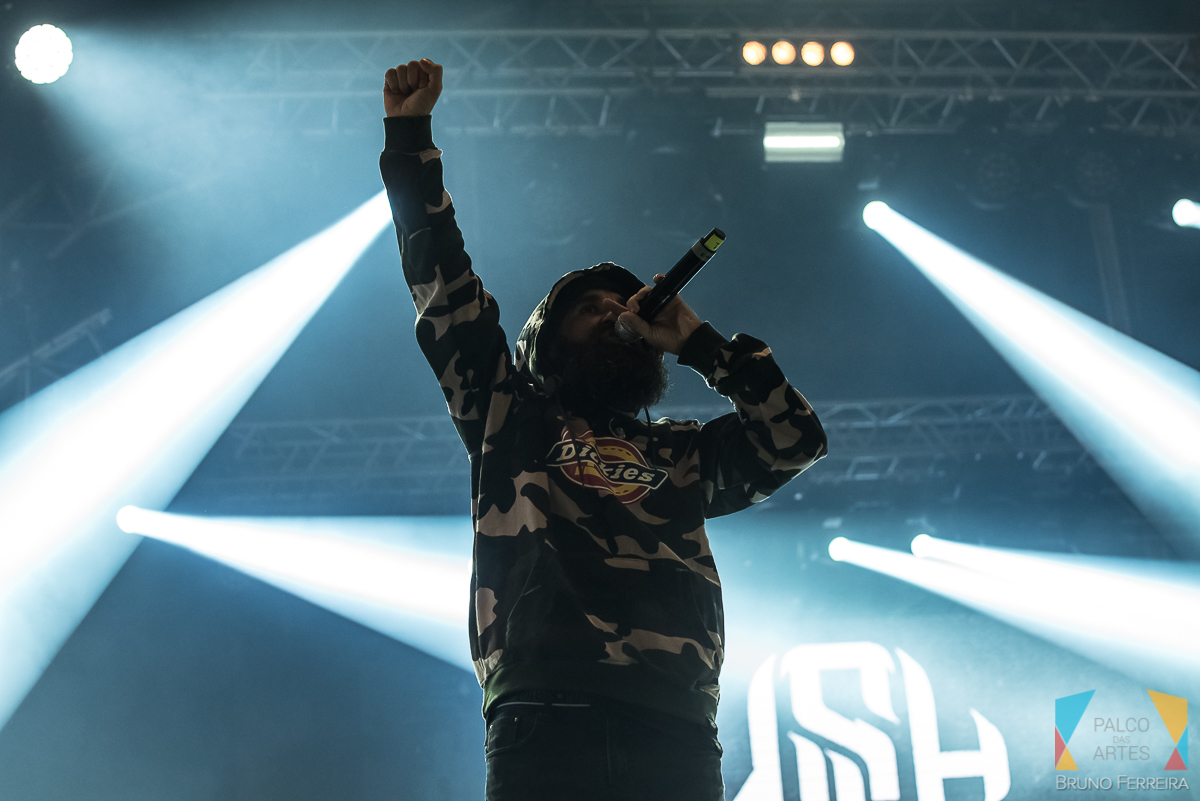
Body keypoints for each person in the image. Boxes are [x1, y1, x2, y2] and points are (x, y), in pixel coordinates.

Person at [380, 58, 827, 801]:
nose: (616, 314)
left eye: (623, 306)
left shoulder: (680, 452)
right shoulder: (508, 415)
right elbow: (444, 285)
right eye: (590, 308)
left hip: (674, 721)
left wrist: (700, 344)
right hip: (545, 710)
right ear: (546, 344)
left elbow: (796, 442)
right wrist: (409, 139)